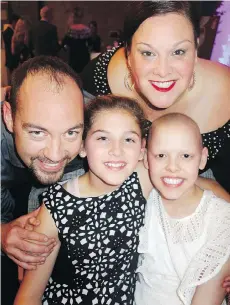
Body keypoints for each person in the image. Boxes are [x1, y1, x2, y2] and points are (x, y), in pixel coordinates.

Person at [14, 95, 151, 305]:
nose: (117, 150)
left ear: (142, 149)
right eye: (103, 138)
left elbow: (197, 184)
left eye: (129, 139)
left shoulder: (141, 179)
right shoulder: (57, 205)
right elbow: (28, 296)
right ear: (83, 147)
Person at [80, 1, 230, 192]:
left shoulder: (225, 96)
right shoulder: (99, 80)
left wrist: (207, 186)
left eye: (178, 52)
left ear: (196, 49)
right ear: (128, 53)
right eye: (148, 53)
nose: (163, 71)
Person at [1, 56, 90, 304]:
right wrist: (2, 233)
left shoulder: (100, 122)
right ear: (8, 116)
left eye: (71, 132)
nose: (54, 153)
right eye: (38, 132)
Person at [135, 113, 230, 305]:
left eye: (185, 156)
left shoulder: (221, 219)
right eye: (161, 155)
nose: (172, 167)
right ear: (145, 158)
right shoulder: (141, 204)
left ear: (202, 159)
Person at [62, 7, 91, 73]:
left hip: (73, 58)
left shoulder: (70, 30)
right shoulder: (86, 30)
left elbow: (64, 45)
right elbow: (90, 44)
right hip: (84, 58)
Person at [2, 13, 20, 77]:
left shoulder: (10, 31)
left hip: (12, 60)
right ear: (14, 22)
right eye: (17, 22)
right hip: (11, 60)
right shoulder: (8, 32)